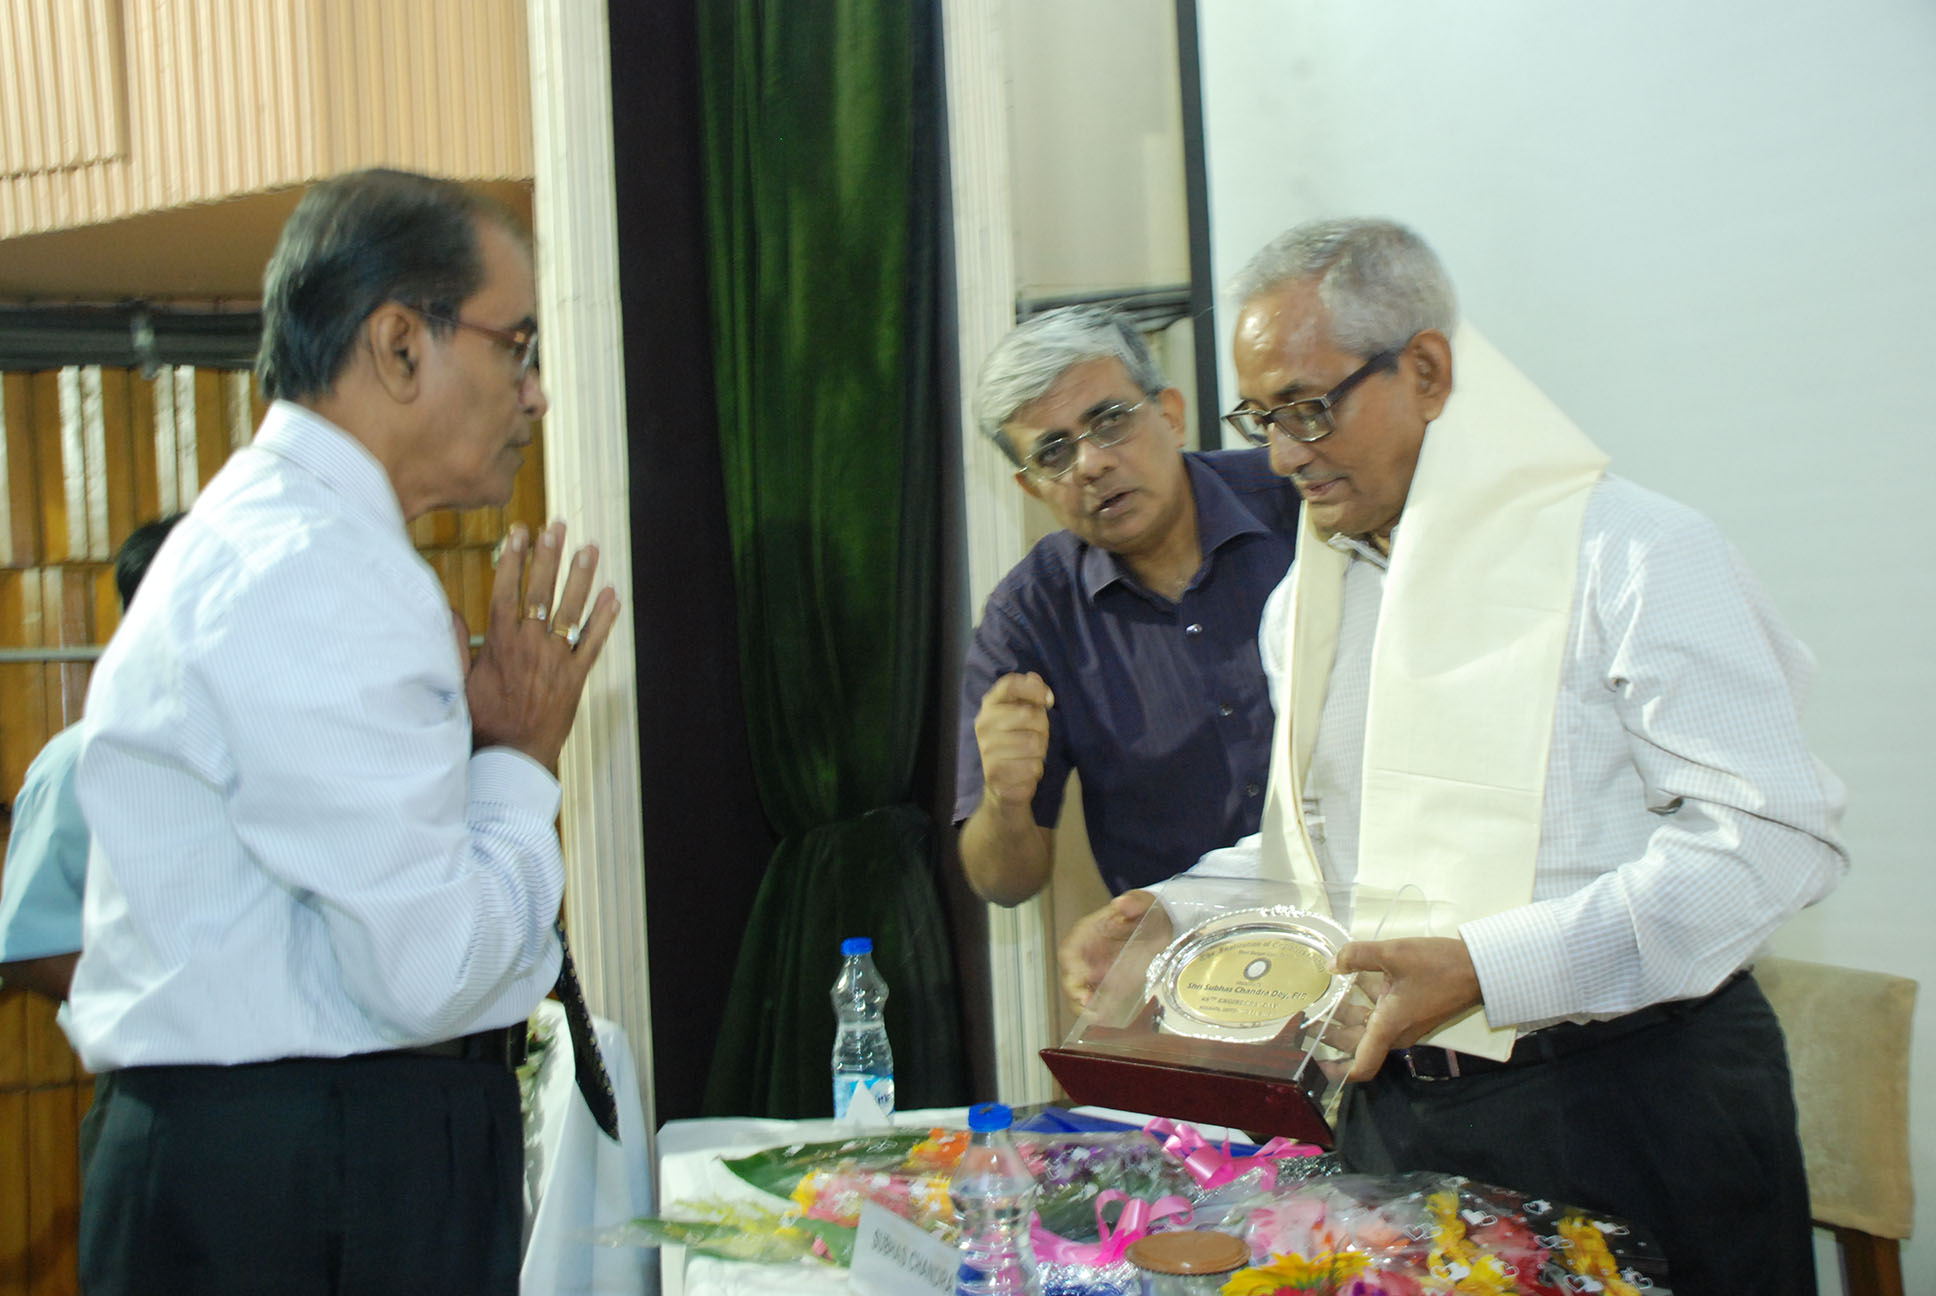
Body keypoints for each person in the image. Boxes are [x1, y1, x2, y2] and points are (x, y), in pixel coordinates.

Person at [1065, 218, 1845, 1294]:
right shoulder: (1309, 603)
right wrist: (1173, 918)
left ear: (1426, 370)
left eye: (1306, 407)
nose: (1282, 454)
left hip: (1633, 1101)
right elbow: (1327, 851)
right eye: (1261, 417)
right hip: (1396, 1119)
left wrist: (1490, 966)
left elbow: (1770, 841)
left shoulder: (1632, 555)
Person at [64, 168, 621, 1296]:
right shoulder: (311, 570)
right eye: (517, 345)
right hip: (303, 1177)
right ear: (400, 344)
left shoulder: (297, 543)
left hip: (286, 1156)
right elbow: (432, 969)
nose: (535, 394)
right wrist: (518, 759)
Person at [957, 306, 1298, 915]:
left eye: (1110, 421)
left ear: (1171, 415)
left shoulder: (1301, 502)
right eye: (1053, 453)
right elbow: (1003, 884)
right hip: (1194, 953)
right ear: (1032, 488)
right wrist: (1005, 802)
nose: (1091, 464)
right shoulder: (1029, 617)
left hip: (1379, 914)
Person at [0, 515, 181, 1003]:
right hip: (163, 1048)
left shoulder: (296, 748)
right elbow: (33, 948)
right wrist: (170, 1019)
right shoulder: (78, 765)